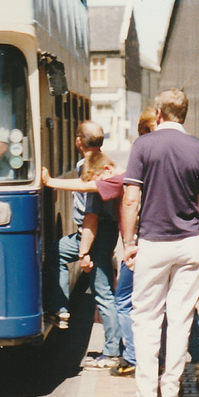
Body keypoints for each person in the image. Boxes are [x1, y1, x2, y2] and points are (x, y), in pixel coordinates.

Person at [121, 89, 199, 397]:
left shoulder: (143, 146)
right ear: (184, 115)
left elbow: (131, 199)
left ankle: (147, 394)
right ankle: (172, 392)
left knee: (146, 318)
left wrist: (129, 242)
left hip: (153, 243)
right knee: (180, 320)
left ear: (158, 114)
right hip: (191, 244)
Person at [43, 121, 120, 365]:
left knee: (103, 291)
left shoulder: (88, 166)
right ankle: (61, 310)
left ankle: (112, 352)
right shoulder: (104, 162)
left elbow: (91, 215)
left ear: (78, 141)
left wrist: (85, 251)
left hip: (95, 233)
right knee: (55, 252)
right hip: (102, 232)